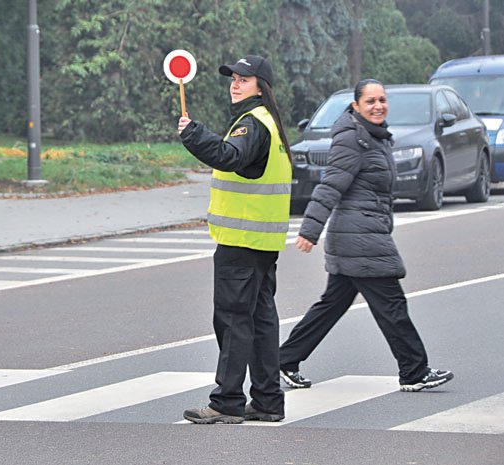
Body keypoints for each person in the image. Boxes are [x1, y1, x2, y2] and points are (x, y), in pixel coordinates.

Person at [279, 79, 454, 393]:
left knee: (332, 304)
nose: (378, 106)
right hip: (360, 238)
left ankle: (284, 359)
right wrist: (310, 229)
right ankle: (414, 371)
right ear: (356, 106)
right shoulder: (353, 140)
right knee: (392, 305)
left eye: (382, 100)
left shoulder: (376, 137)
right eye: (370, 101)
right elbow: (331, 184)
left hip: (361, 233)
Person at [177, 55, 292, 424]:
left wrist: (194, 134)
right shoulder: (267, 122)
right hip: (259, 241)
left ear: (261, 86)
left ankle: (226, 402)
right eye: (233, 77)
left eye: (244, 78)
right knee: (259, 321)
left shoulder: (252, 124)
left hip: (242, 240)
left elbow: (229, 157)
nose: (235, 83)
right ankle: (267, 400)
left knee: (232, 319)